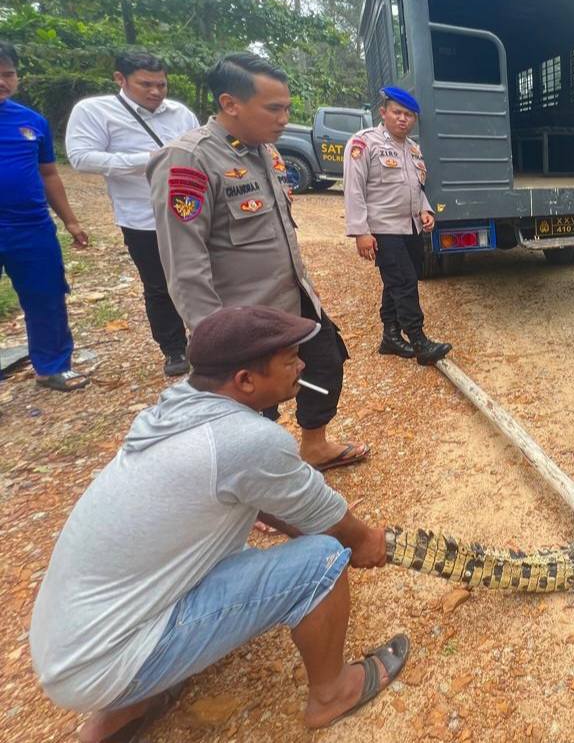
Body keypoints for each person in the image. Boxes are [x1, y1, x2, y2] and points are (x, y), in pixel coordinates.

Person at [29, 306, 408, 741]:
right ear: (246, 380)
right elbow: (337, 524)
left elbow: (266, 499)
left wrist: (307, 526)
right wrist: (364, 542)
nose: (301, 365)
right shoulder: (246, 440)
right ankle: (332, 694)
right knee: (322, 562)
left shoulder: (179, 407)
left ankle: (126, 705)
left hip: (68, 647)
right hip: (104, 659)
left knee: (241, 552)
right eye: (290, 359)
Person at [148, 52, 369, 471]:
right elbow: (184, 265)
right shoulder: (189, 160)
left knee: (324, 362)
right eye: (274, 108)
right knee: (248, 405)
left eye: (286, 108)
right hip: (241, 315)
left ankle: (315, 445)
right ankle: (252, 487)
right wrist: (215, 339)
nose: (285, 118)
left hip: (291, 297)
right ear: (230, 103)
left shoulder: (265, 151)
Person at [66, 50, 200, 376]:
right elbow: (81, 158)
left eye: (161, 84)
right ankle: (174, 349)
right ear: (120, 80)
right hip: (142, 217)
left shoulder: (179, 113)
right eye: (145, 84)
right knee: (158, 284)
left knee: (200, 276)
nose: (155, 92)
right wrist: (149, 159)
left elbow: (199, 149)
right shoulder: (96, 111)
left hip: (190, 212)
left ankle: (208, 339)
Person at [0, 40, 91, 392]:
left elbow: (49, 174)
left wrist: (70, 220)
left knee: (46, 295)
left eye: (8, 74)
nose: (3, 82)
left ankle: (52, 367)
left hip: (30, 226)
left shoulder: (31, 122)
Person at [343, 86, 451, 365]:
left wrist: (425, 210)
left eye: (409, 115)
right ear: (383, 113)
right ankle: (419, 341)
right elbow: (353, 189)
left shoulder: (413, 149)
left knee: (402, 279)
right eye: (397, 113)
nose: (403, 119)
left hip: (411, 228)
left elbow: (417, 187)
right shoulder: (364, 143)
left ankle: (390, 336)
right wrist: (361, 232)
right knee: (403, 282)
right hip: (384, 229)